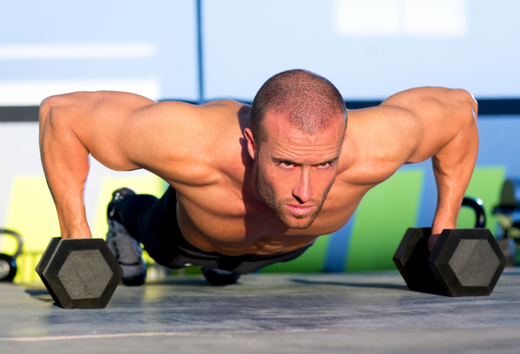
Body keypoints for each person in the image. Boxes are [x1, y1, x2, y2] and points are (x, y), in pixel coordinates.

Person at [39, 69, 478, 285]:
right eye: (287, 163)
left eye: (323, 164)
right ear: (252, 145)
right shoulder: (188, 142)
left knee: (238, 266)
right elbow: (62, 114)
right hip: (183, 240)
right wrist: (75, 233)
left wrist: (446, 224)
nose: (305, 193)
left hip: (282, 250)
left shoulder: (375, 146)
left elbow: (459, 111)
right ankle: (124, 209)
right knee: (158, 236)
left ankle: (230, 268)